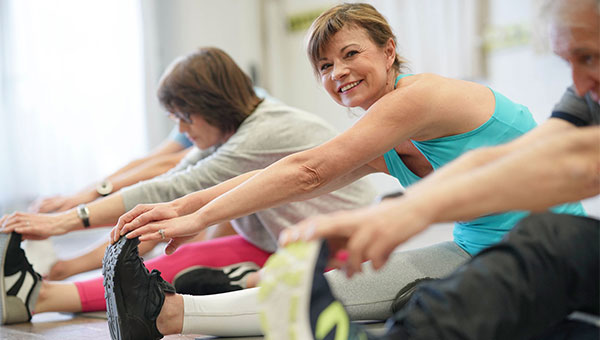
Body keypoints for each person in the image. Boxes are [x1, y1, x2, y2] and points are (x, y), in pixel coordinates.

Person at [99, 3, 586, 339]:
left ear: (388, 50)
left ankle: (212, 296)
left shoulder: (421, 96)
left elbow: (308, 170)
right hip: (473, 247)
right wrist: (185, 206)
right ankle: (165, 314)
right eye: (325, 66)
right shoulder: (384, 136)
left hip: (545, 249)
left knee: (394, 300)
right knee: (328, 293)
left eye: (351, 54)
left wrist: (194, 218)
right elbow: (288, 172)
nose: (338, 73)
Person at [258, 0, 600, 339]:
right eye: (566, 62)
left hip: (556, 246)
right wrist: (402, 210)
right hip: (492, 251)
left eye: (589, 57)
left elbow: (577, 162)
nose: (579, 83)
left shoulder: (418, 95)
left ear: (388, 52)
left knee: (553, 238)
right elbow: (523, 157)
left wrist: (414, 211)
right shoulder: (584, 96)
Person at [0, 47, 376, 326]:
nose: (181, 129)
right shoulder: (235, 125)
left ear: (212, 105)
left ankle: (43, 293)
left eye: (185, 118)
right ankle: (41, 293)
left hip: (337, 246)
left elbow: (175, 187)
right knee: (178, 258)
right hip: (277, 236)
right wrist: (75, 211)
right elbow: (167, 177)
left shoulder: (263, 131)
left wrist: (64, 220)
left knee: (178, 265)